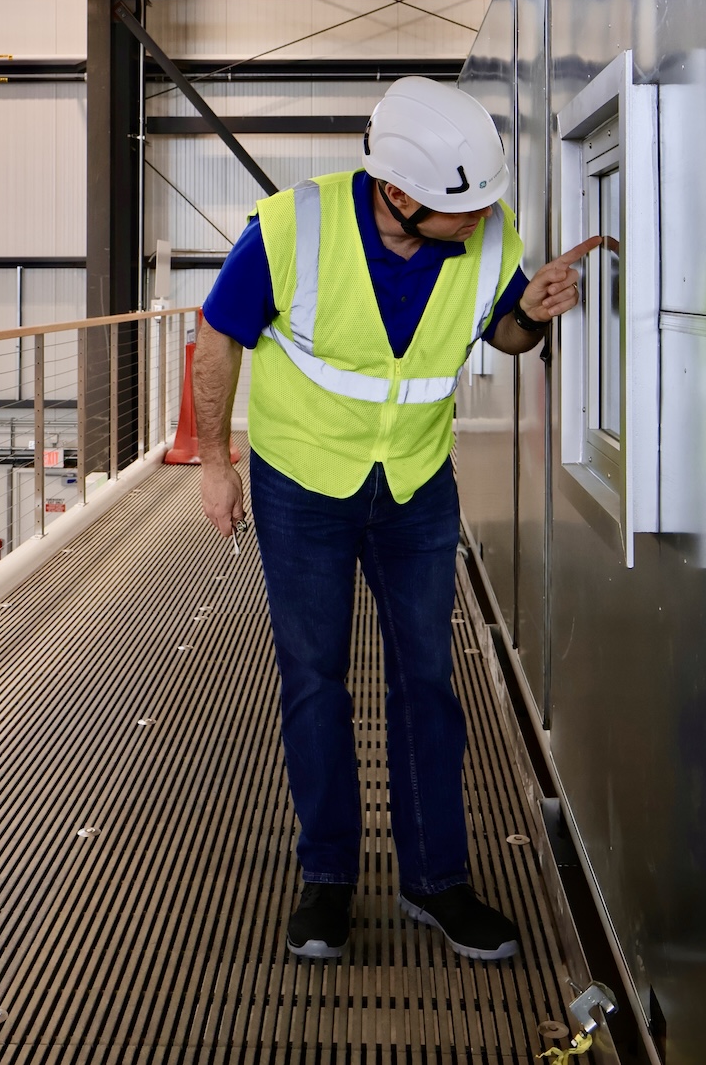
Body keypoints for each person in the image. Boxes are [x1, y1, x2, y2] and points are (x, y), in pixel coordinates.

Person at [192, 77, 595, 962]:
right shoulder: (290, 227)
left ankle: (436, 881)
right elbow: (217, 333)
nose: (484, 215)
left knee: (426, 680)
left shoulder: (488, 233)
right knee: (314, 677)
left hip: (415, 483)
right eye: (464, 204)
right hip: (302, 486)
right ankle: (329, 877)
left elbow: (508, 336)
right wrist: (216, 462)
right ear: (400, 195)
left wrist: (532, 310)